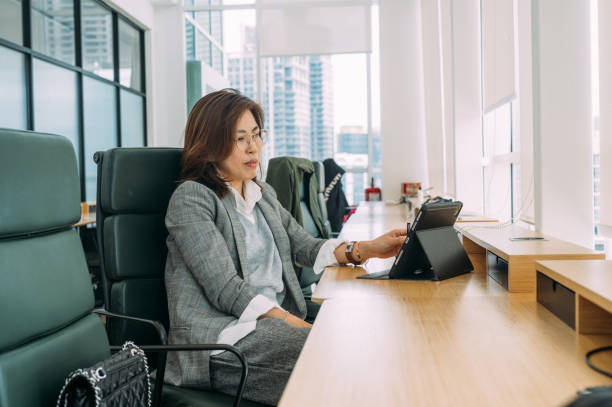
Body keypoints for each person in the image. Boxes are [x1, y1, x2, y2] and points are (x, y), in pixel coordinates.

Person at [163, 88, 406, 405]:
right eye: (240, 139)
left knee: (369, 330)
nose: (254, 148)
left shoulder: (260, 194)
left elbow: (303, 245)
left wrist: (366, 249)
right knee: (345, 361)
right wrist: (296, 324)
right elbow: (225, 287)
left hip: (271, 326)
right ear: (210, 147)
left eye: (256, 135)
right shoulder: (193, 199)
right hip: (224, 340)